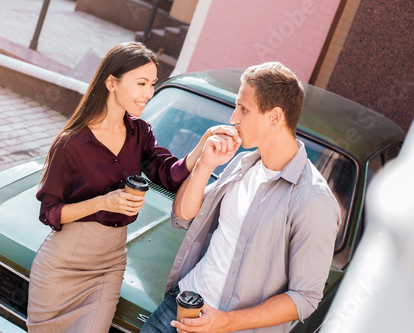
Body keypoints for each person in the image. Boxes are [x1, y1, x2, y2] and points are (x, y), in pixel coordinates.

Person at [26, 42, 236, 333]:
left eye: (152, 84)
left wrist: (204, 143)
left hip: (108, 266)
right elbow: (49, 213)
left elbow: (170, 176)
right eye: (140, 83)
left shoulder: (140, 133)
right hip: (62, 266)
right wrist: (103, 202)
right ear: (111, 82)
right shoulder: (72, 143)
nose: (148, 93)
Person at [141, 62, 341, 333]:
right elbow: (183, 216)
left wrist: (225, 322)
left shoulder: (313, 200)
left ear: (275, 116)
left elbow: (305, 298)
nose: (234, 118)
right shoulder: (242, 164)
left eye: (244, 109)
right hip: (180, 307)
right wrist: (205, 165)